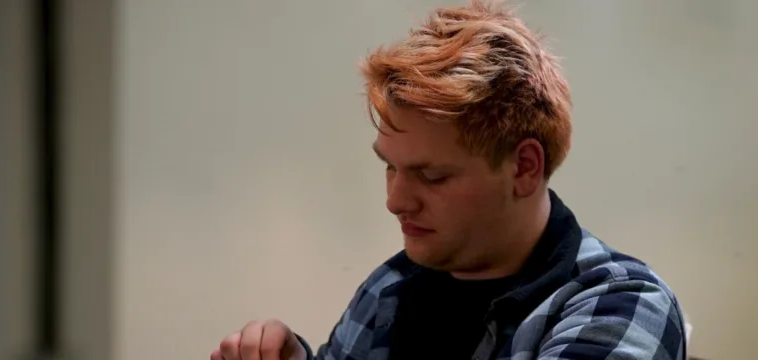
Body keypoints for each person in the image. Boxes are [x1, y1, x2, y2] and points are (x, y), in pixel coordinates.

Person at [209, 1, 687, 359]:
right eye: (390, 167)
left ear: (524, 168)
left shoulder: (621, 305)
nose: (395, 202)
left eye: (432, 176)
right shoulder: (391, 290)